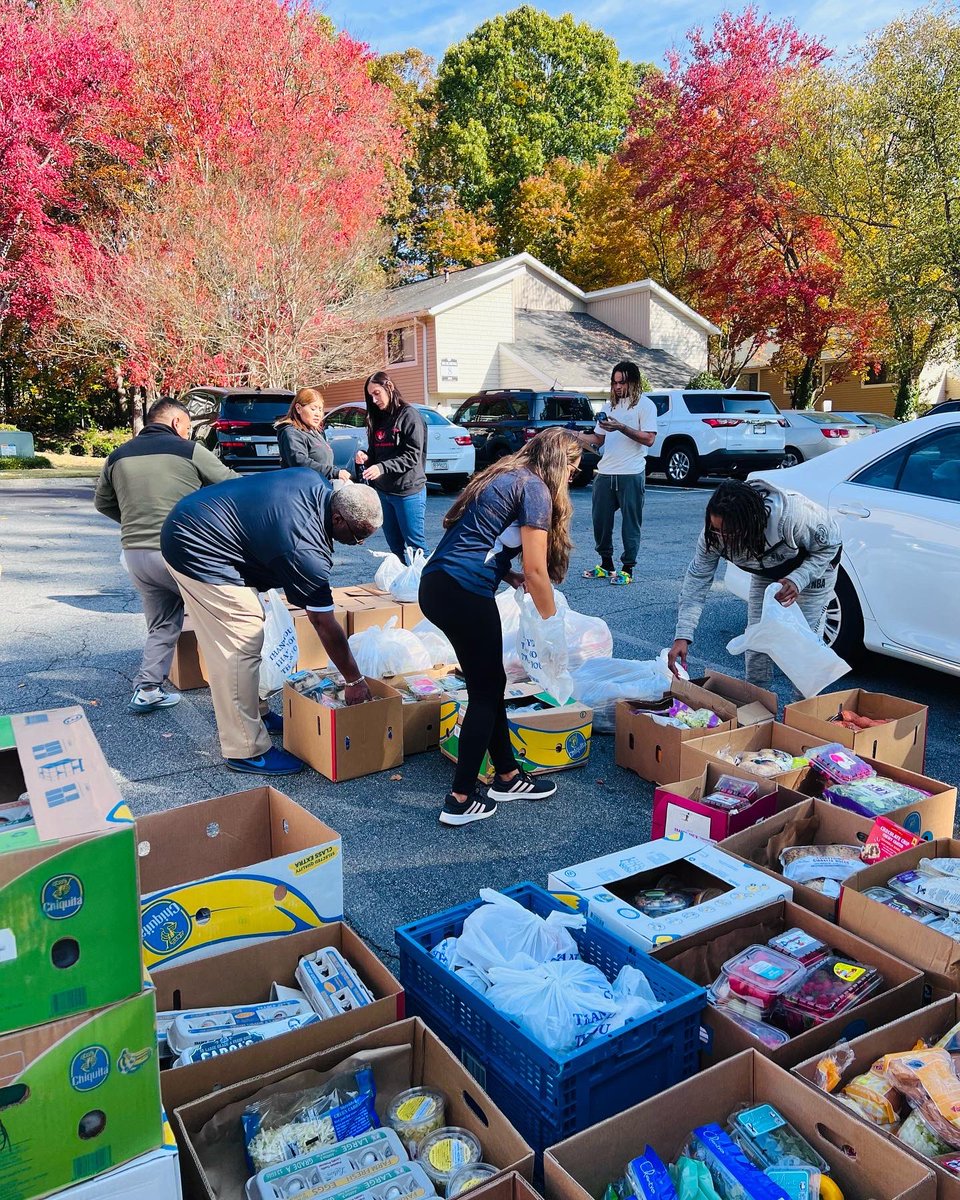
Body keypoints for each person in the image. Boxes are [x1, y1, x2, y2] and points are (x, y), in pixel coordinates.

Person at [160, 472, 383, 775]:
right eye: (359, 536)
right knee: (241, 639)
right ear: (338, 519)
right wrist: (354, 680)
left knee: (253, 624)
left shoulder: (312, 480)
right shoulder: (304, 549)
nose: (360, 544)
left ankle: (256, 714)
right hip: (195, 546)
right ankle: (245, 749)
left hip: (201, 525)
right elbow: (322, 622)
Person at [419, 427, 582, 827]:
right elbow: (538, 571)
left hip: (438, 585)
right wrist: (551, 626)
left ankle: (507, 775)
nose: (574, 475)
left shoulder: (506, 476)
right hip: (465, 592)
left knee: (488, 685)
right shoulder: (537, 489)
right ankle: (459, 798)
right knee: (487, 692)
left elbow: (476, 538)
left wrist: (504, 574)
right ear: (560, 462)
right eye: (573, 467)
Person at [94, 397, 237, 713]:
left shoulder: (116, 457)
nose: (188, 434)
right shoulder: (187, 450)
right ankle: (236, 693)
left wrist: (134, 522)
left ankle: (147, 690)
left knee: (161, 623)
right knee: (224, 616)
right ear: (175, 423)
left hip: (135, 555)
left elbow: (102, 503)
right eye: (187, 427)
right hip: (179, 551)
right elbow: (232, 485)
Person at [667, 479, 843, 686]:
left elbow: (831, 546)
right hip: (766, 571)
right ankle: (757, 706)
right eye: (716, 530)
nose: (722, 538)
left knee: (805, 648)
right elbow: (697, 580)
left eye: (729, 533)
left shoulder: (792, 516)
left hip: (813, 570)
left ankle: (803, 712)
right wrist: (683, 635)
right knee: (757, 641)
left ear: (752, 523)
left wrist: (799, 578)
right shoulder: (711, 537)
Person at [577, 361, 658, 586]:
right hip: (605, 472)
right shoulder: (608, 407)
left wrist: (622, 427)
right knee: (600, 522)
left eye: (622, 382)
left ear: (633, 381)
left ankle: (627, 569)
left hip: (631, 472)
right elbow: (598, 440)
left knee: (630, 523)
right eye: (614, 382)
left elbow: (649, 439)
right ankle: (606, 565)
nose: (617, 387)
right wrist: (575, 435)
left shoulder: (645, 405)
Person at [354, 371, 428, 562]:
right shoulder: (378, 418)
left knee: (415, 546)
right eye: (370, 395)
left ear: (389, 387)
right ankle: (405, 586)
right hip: (384, 492)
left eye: (377, 393)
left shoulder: (409, 415)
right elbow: (377, 453)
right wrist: (367, 457)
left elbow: (412, 456)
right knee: (395, 546)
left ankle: (425, 588)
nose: (374, 399)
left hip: (408, 491)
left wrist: (382, 467)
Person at [275, 387, 351, 482]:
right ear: (298, 408)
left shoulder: (315, 432)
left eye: (320, 409)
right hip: (303, 491)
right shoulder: (291, 432)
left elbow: (325, 463)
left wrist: (337, 471)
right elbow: (300, 463)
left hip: (321, 488)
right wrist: (333, 472)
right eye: (313, 409)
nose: (318, 414)